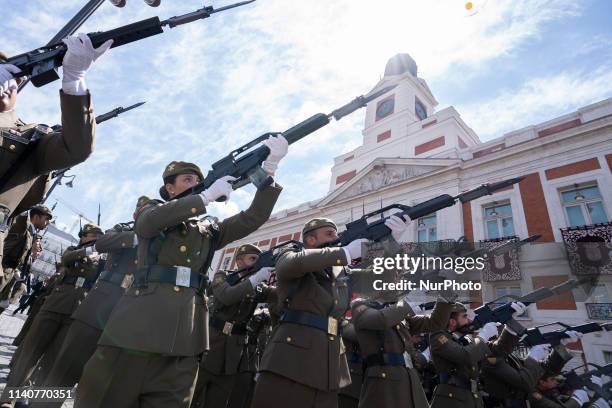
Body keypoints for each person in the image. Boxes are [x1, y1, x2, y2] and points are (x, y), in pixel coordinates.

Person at [75, 136, 287, 408]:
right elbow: (147, 224)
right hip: (135, 332)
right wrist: (205, 196)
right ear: (169, 188)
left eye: (198, 181)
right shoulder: (152, 210)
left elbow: (252, 218)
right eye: (187, 180)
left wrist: (269, 170)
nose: (195, 184)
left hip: (186, 340)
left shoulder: (209, 229)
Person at [252, 215, 409, 408]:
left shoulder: (339, 272)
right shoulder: (291, 256)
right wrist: (345, 252)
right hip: (290, 362)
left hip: (329, 368)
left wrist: (390, 243)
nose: (335, 238)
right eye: (329, 234)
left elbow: (380, 281)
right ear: (310, 240)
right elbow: (291, 264)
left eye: (336, 234)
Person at [0, 35, 112, 288]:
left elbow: (77, 148)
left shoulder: (29, 138)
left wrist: (74, 81)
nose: (7, 85)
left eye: (14, 80)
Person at [29, 218, 139, 408]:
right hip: (97, 307)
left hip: (127, 313)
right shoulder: (123, 230)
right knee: (65, 368)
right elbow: (103, 243)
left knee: (98, 381)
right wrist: (143, 234)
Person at [2, 223, 103, 400]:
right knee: (31, 352)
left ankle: (28, 395)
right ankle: (8, 398)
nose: (97, 238)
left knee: (52, 358)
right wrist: (88, 251)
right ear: (84, 236)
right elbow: (67, 259)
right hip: (56, 304)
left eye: (99, 236)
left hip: (77, 311)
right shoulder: (73, 250)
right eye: (93, 235)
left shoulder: (101, 259)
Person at [191, 243, 275, 408]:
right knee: (191, 397)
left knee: (218, 401)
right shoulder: (223, 277)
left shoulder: (258, 286)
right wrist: (257, 278)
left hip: (233, 355)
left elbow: (278, 296)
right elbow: (227, 296)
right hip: (210, 346)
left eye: (258, 260)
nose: (256, 264)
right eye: (252, 259)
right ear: (239, 261)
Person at [429, 302, 527, 408]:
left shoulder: (466, 339)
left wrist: (509, 328)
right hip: (450, 401)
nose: (469, 320)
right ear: (452, 321)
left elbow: (497, 352)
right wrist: (483, 336)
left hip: (472, 398)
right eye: (464, 316)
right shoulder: (438, 338)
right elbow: (464, 356)